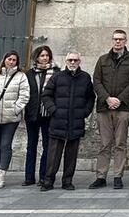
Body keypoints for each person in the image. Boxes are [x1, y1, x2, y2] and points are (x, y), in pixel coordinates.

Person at [90, 29, 129, 190]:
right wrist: (107, 98)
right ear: (112, 41)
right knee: (104, 143)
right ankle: (101, 176)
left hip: (123, 107)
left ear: (126, 41)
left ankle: (118, 175)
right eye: (115, 39)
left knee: (120, 143)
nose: (118, 42)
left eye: (121, 39)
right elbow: (96, 81)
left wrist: (119, 99)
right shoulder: (102, 60)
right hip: (104, 107)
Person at [40, 52, 95, 191]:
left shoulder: (85, 77)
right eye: (70, 60)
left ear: (79, 61)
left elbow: (90, 98)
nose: (72, 62)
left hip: (76, 121)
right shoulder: (57, 77)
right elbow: (46, 95)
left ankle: (67, 181)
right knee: (53, 154)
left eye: (75, 60)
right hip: (58, 121)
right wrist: (53, 110)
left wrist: (84, 112)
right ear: (66, 61)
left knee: (71, 155)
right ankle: (48, 181)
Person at [0, 50, 30, 189]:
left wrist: (15, 109)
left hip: (11, 117)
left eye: (14, 60)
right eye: (9, 59)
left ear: (17, 62)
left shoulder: (21, 77)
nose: (11, 62)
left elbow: (24, 95)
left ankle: (2, 175)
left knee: (5, 145)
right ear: (4, 60)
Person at [23, 45, 59, 186]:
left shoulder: (56, 73)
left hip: (48, 115)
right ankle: (29, 177)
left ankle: (44, 175)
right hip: (32, 114)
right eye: (42, 55)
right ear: (36, 57)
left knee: (47, 146)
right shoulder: (29, 74)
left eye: (47, 56)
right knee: (31, 146)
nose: (45, 58)